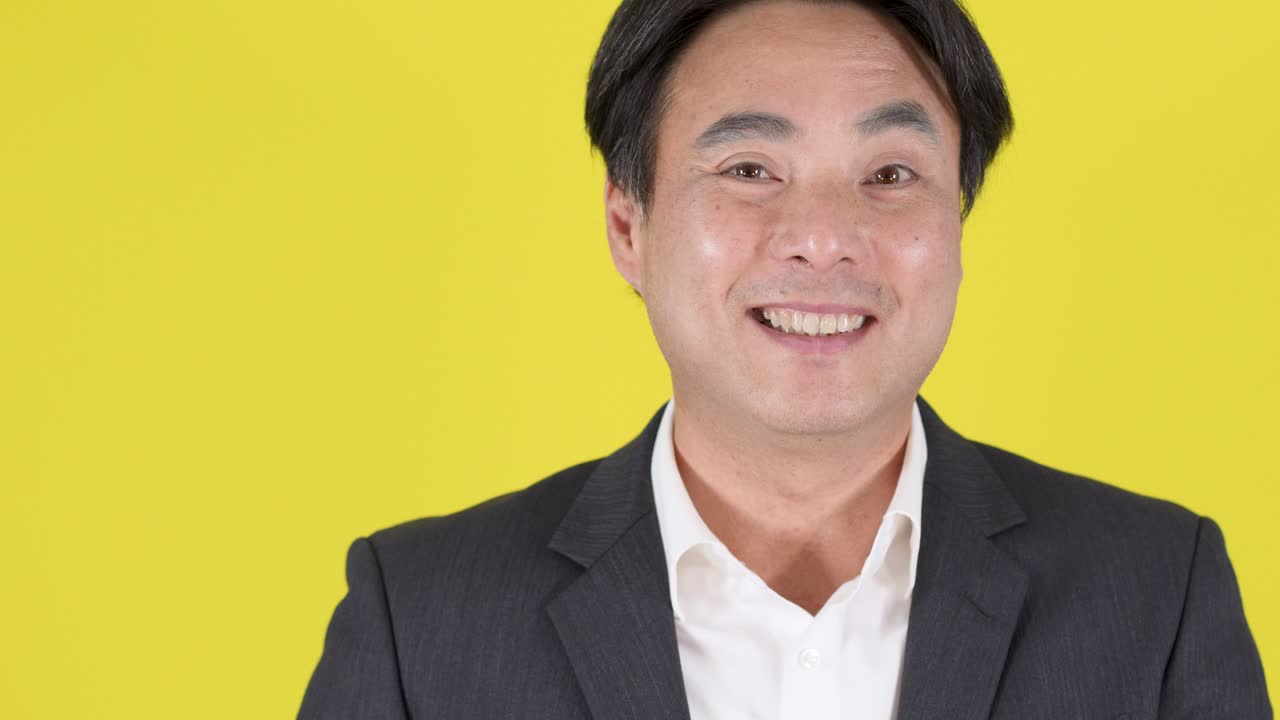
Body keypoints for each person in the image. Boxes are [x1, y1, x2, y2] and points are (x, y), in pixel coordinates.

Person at [299, 0, 1271, 717]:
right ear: (625, 224)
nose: (822, 238)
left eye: (889, 175)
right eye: (748, 170)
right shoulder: (421, 621)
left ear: (958, 222)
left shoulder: (1154, 596)